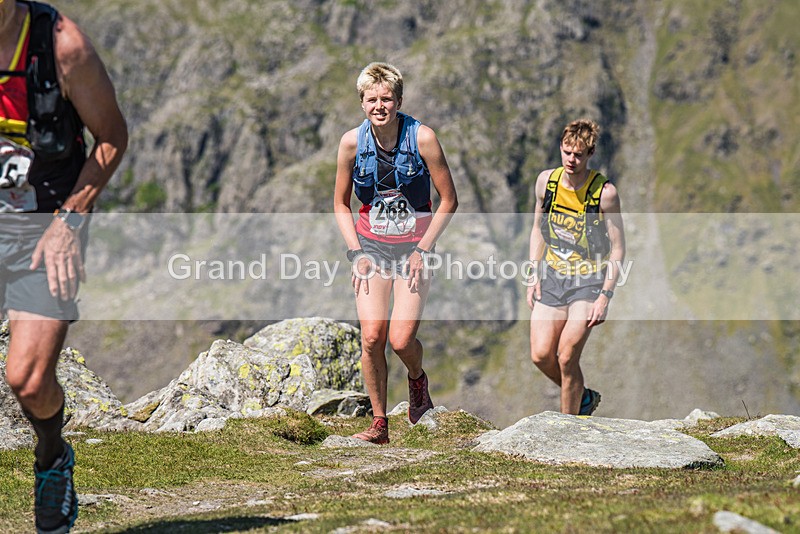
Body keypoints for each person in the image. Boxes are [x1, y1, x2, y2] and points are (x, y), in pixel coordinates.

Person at [0, 1, 127, 532]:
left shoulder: (61, 46)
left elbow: (112, 138)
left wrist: (68, 223)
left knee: (27, 378)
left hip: (44, 223)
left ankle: (52, 456)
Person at [334, 62, 457, 444]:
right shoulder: (351, 143)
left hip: (414, 251)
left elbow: (449, 200)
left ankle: (417, 383)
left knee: (401, 340)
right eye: (372, 99)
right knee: (372, 336)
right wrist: (356, 252)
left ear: (399, 100)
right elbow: (340, 204)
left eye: (387, 98)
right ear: (362, 103)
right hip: (371, 248)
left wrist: (424, 249)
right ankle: (379, 423)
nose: (379, 105)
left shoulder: (423, 139)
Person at [526, 119, 624, 415]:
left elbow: (618, 248)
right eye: (567, 151)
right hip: (554, 276)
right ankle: (582, 396)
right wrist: (533, 274)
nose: (571, 159)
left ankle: (568, 432)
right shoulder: (547, 182)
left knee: (567, 356)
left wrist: (605, 296)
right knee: (542, 355)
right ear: (561, 147)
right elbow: (537, 230)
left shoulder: (604, 193)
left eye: (578, 154)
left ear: (590, 154)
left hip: (588, 282)